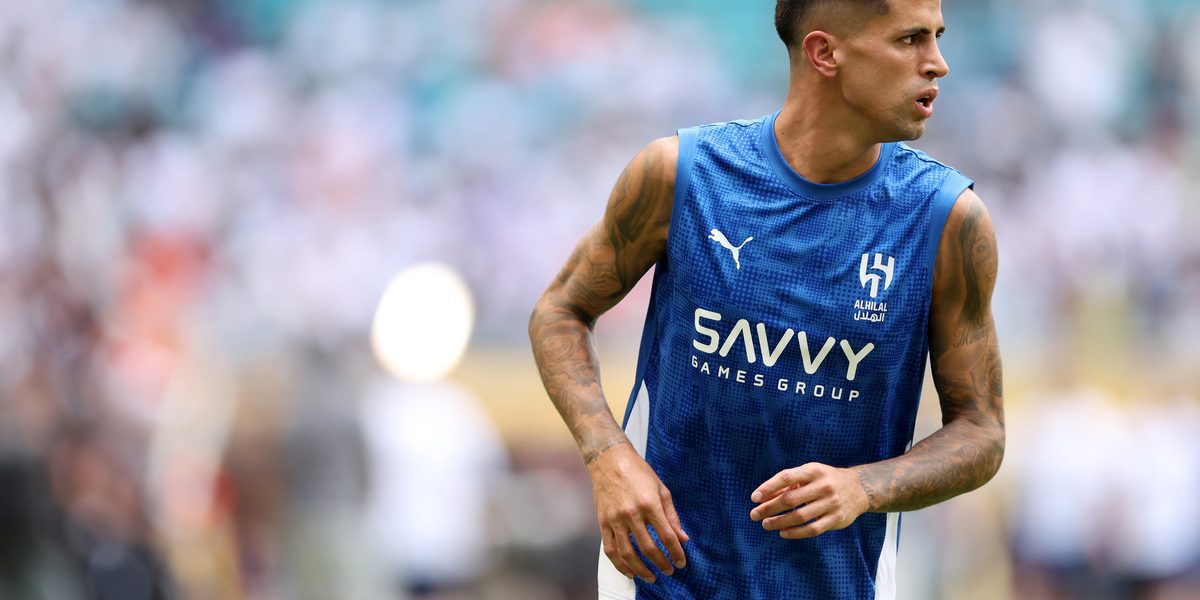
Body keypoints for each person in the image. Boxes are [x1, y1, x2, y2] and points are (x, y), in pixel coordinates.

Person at [528, 0, 1005, 598]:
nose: (938, 63)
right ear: (824, 53)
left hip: (838, 581)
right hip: (660, 576)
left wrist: (865, 487)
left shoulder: (946, 221)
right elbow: (560, 311)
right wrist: (607, 457)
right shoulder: (682, 176)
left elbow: (983, 430)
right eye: (910, 39)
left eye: (936, 37)